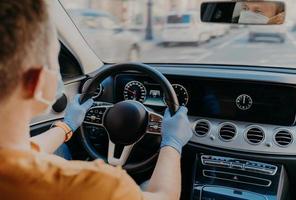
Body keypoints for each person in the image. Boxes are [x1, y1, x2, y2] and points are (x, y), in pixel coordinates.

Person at [0, 0, 193, 200]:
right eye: (55, 62)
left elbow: (26, 151)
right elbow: (165, 196)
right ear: (36, 83)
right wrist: (172, 144)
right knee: (145, 184)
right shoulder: (98, 186)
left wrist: (67, 126)